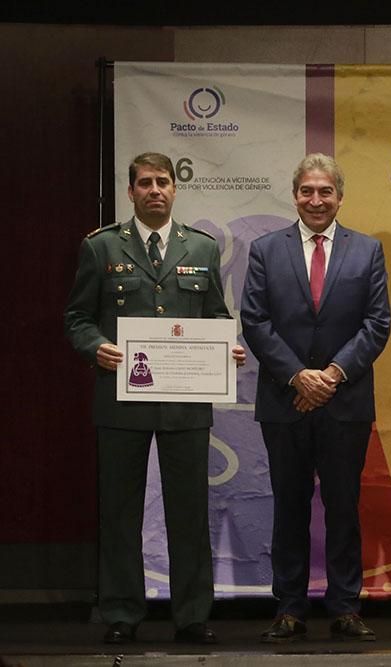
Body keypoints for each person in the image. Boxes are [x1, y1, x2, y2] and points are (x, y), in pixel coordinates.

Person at [64, 151, 246, 645]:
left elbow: (213, 314)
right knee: (120, 510)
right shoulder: (101, 248)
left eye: (163, 181)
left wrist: (222, 346)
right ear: (130, 192)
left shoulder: (202, 249)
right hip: (121, 398)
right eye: (144, 183)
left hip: (185, 403)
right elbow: (77, 317)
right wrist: (93, 346)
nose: (155, 190)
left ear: (175, 187)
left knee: (188, 510)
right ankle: (121, 612)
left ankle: (191, 615)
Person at [241, 153, 391, 643]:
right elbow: (255, 321)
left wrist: (329, 375)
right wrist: (298, 378)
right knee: (289, 506)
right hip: (285, 401)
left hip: (344, 400)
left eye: (325, 191)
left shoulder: (367, 251)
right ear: (295, 195)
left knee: (344, 506)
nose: (316, 200)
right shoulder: (265, 249)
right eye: (307, 191)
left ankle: (345, 607)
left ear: (340, 197)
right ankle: (289, 608)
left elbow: (377, 323)